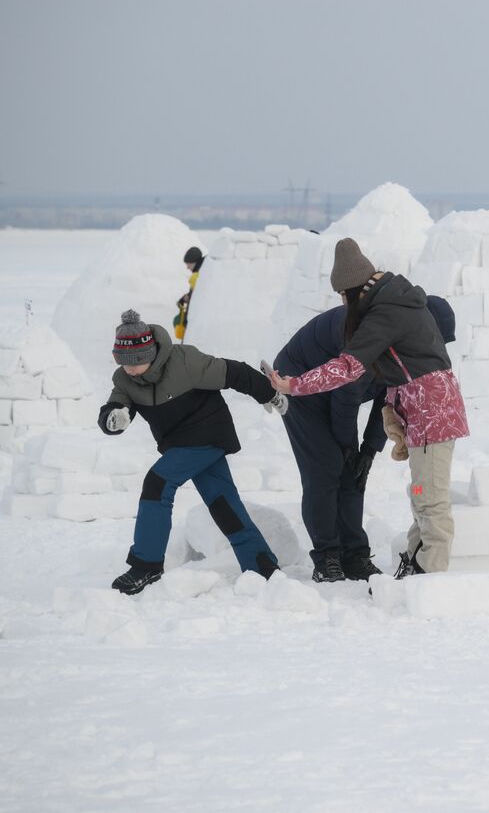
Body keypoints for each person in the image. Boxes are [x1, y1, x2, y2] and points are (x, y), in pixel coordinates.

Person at [267, 239, 469, 579]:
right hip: (303, 385)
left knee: (359, 474)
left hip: (342, 386)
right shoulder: (372, 329)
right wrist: (349, 446)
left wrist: (369, 451)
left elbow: (386, 400)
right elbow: (347, 389)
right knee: (328, 468)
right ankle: (328, 555)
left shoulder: (396, 338)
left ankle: (355, 554)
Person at [98, 310, 288, 595]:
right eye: (123, 362)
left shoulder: (184, 361)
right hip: (178, 443)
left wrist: (268, 392)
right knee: (223, 503)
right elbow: (115, 404)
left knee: (158, 483)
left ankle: (145, 565)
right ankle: (262, 565)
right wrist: (114, 418)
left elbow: (232, 371)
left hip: (208, 433)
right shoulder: (125, 379)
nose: (129, 369)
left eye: (135, 362)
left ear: (149, 354)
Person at [173, 246, 204, 342]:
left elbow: (198, 296)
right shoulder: (203, 272)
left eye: (189, 264)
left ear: (195, 262)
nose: (187, 267)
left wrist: (188, 298)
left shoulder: (197, 276)